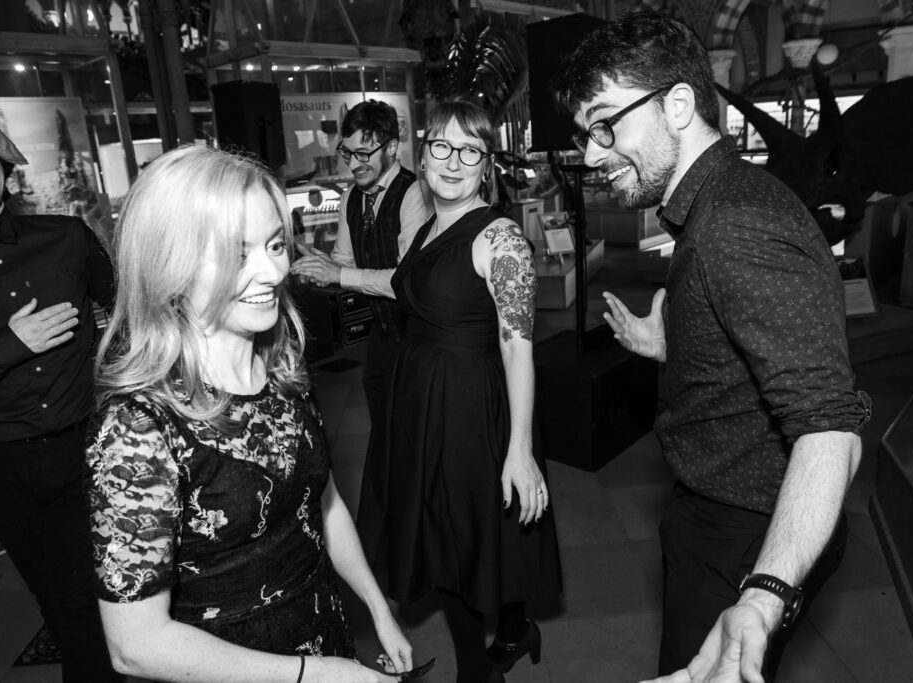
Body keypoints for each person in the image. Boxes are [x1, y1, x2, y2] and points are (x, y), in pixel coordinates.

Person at [554, 13, 873, 683]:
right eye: (586, 134)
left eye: (607, 124)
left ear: (676, 104)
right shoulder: (715, 204)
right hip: (725, 513)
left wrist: (764, 595)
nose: (591, 153)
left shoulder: (734, 222)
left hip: (745, 531)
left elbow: (831, 430)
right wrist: (675, 347)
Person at [86, 145, 412, 682]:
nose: (272, 270)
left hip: (323, 633)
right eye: (235, 254)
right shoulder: (138, 425)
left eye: (275, 243)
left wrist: (379, 610)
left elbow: (321, 503)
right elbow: (135, 646)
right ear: (170, 262)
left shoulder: (283, 370)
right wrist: (312, 676)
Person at [357, 100, 563, 683]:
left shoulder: (501, 241)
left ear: (486, 165)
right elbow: (413, 295)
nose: (453, 161)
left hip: (471, 406)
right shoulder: (426, 228)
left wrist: (519, 449)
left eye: (469, 150)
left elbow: (519, 345)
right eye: (442, 147)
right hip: (420, 401)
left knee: (463, 538)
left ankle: (478, 673)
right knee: (463, 533)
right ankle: (515, 632)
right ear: (423, 156)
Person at [0, 107, 119, 680]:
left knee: (85, 606)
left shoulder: (65, 237)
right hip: (3, 464)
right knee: (56, 603)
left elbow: (127, 314)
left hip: (85, 449)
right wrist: (10, 346)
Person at [290, 99, 430, 479]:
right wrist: (321, 268)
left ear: (390, 148)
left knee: (421, 434)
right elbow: (346, 263)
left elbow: (405, 281)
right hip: (383, 336)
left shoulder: (415, 193)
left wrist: (338, 274)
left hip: (423, 339)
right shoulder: (351, 196)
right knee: (387, 432)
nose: (353, 164)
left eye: (364, 153)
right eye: (347, 153)